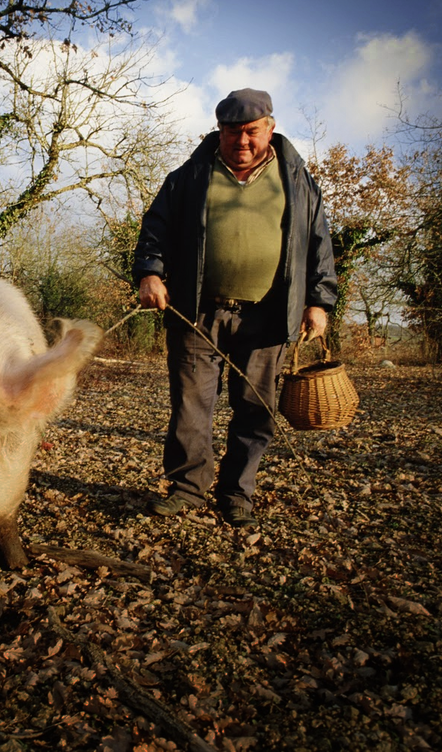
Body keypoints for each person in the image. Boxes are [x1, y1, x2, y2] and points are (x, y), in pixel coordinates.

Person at [132, 88, 338, 528]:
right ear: (218, 131)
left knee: (256, 410)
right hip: (196, 312)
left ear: (270, 127)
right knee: (190, 408)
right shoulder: (189, 176)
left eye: (251, 132)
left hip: (268, 315)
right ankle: (188, 489)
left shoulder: (296, 179)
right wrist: (150, 273)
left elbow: (319, 243)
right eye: (231, 133)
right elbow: (155, 230)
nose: (241, 142)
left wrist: (319, 301)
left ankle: (236, 493)